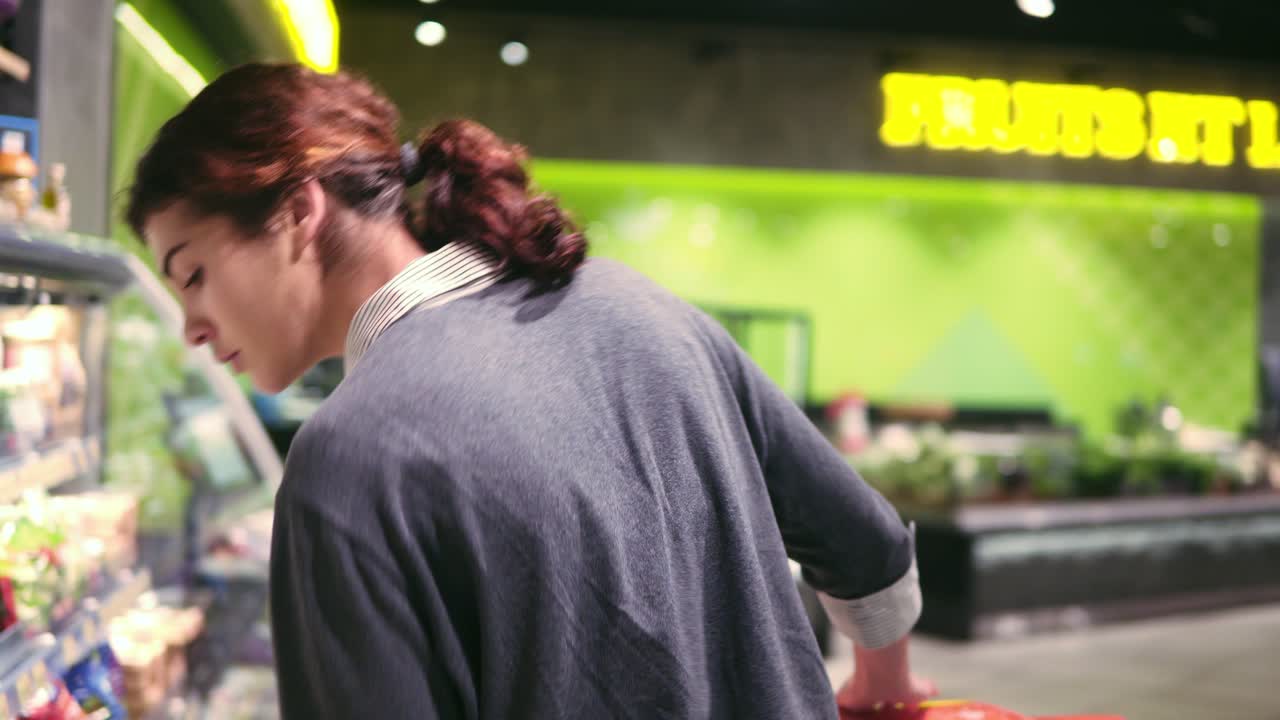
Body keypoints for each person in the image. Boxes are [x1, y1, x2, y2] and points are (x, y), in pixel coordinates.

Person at [126, 63, 934, 719]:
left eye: (193, 273)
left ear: (299, 212)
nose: (192, 325)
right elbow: (866, 546)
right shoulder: (641, 306)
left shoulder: (346, 457)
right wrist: (880, 687)